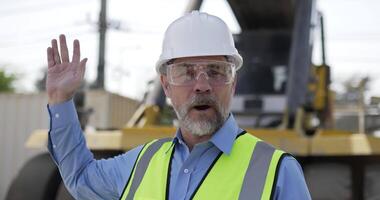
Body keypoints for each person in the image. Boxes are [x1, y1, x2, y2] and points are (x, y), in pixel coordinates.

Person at [46, 11, 311, 200]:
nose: (202, 85)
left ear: (233, 83)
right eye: (186, 72)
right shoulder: (140, 164)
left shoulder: (278, 172)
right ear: (165, 85)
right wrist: (61, 100)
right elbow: (80, 178)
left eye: (217, 71)